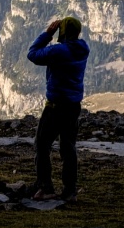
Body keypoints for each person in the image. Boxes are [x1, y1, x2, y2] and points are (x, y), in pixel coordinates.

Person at [27, 16, 89, 202]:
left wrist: (47, 34)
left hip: (55, 106)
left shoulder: (59, 51)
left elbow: (33, 54)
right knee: (68, 147)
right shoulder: (83, 48)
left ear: (61, 31)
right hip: (73, 106)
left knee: (42, 144)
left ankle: (45, 187)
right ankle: (70, 191)